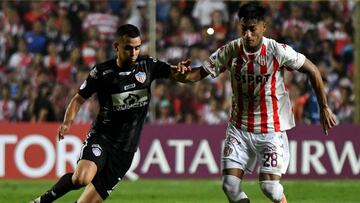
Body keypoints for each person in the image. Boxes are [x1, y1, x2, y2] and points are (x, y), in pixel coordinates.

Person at [176, 3, 336, 203]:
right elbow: (197, 74)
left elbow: (312, 70)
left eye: (253, 29)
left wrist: (324, 107)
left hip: (270, 130)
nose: (248, 35)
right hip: (239, 129)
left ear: (263, 27)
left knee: (270, 189)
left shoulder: (277, 51)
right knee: (230, 186)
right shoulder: (230, 50)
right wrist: (178, 74)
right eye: (244, 29)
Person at [30, 24, 189, 203]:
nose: (134, 52)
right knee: (81, 178)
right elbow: (78, 99)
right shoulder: (102, 72)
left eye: (137, 48)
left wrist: (181, 70)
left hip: (125, 150)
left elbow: (177, 74)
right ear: (116, 47)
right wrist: (68, 122)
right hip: (102, 138)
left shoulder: (148, 65)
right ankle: (42, 201)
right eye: (128, 48)